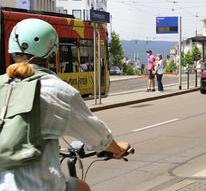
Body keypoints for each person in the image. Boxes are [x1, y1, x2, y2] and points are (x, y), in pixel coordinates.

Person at [0, 18, 130, 191]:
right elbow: (97, 136)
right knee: (81, 187)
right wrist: (116, 148)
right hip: (38, 186)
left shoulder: (3, 84)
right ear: (52, 52)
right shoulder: (56, 90)